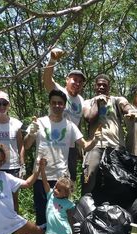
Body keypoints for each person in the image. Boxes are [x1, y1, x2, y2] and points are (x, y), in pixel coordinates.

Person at [24, 89, 101, 226]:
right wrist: (31, 133)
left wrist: (94, 140)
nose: (57, 106)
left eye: (60, 103)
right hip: (41, 176)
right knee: (42, 214)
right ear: (49, 104)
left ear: (64, 106)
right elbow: (27, 145)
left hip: (60, 179)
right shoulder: (39, 123)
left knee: (59, 215)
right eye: (53, 103)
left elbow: (84, 146)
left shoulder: (70, 126)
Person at [82, 74, 133, 193]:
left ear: (108, 87)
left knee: (118, 179)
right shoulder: (87, 102)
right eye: (98, 85)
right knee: (89, 175)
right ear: (95, 87)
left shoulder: (115, 100)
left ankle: (118, 207)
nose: (101, 87)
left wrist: (130, 111)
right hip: (95, 146)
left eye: (104, 85)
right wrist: (97, 103)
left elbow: (125, 106)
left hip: (115, 146)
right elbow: (89, 118)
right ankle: (85, 204)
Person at [42, 47, 87, 183]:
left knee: (69, 180)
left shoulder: (81, 101)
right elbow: (47, 79)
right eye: (74, 80)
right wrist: (53, 59)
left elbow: (78, 124)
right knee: (50, 178)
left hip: (71, 147)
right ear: (67, 80)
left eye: (80, 82)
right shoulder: (59, 92)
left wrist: (80, 147)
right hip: (53, 142)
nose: (77, 83)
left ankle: (68, 204)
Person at [40, 162, 75, 234]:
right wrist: (42, 169)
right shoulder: (51, 195)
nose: (55, 190)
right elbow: (45, 182)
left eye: (59, 190)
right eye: (55, 187)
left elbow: (71, 219)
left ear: (66, 193)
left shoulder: (69, 204)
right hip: (53, 233)